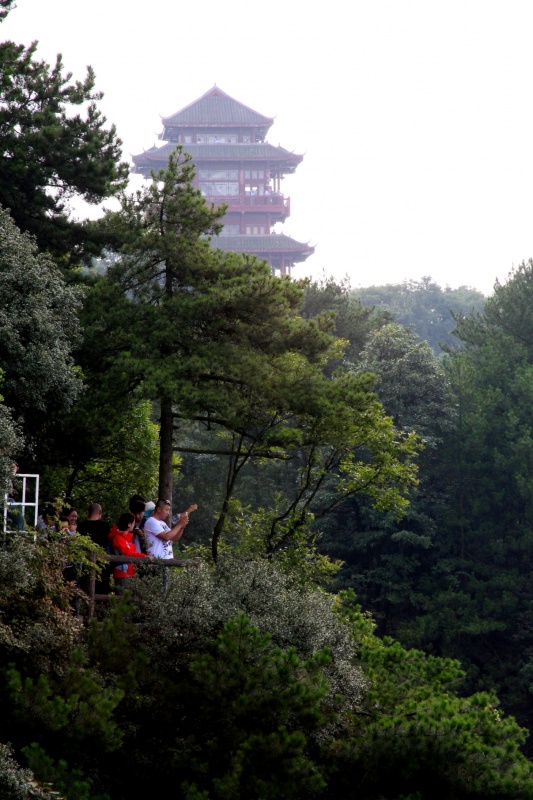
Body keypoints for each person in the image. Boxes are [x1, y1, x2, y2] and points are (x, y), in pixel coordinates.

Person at [108, 511, 152, 593]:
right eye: (133, 523)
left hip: (130, 573)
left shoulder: (128, 538)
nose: (134, 525)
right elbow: (128, 553)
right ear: (129, 524)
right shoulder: (118, 538)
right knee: (123, 601)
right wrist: (144, 556)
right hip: (122, 574)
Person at [78, 502, 112, 593]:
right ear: (100, 512)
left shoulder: (81, 526)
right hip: (101, 561)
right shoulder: (105, 526)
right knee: (101, 589)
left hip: (85, 561)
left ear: (88, 512)